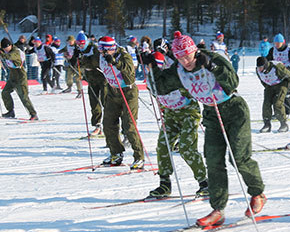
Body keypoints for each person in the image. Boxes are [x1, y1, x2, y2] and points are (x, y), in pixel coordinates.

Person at [149, 32, 266, 228]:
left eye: (188, 55)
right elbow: (160, 87)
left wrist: (213, 67)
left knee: (238, 157)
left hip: (233, 109)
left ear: (194, 51)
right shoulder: (179, 69)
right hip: (212, 113)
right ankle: (218, 210)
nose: (185, 61)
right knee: (213, 160)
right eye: (180, 57)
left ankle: (257, 192)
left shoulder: (211, 58)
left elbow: (232, 83)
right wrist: (152, 65)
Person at [142, 40, 209, 199]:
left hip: (188, 112)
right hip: (171, 115)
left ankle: (205, 183)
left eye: (155, 67)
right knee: (162, 147)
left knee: (186, 148)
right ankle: (164, 184)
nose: (150, 70)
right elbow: (159, 98)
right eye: (149, 68)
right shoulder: (151, 81)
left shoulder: (173, 76)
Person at [97, 36, 144, 170]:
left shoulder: (124, 56)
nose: (101, 52)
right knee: (108, 123)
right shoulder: (101, 55)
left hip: (128, 92)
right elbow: (90, 63)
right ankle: (116, 153)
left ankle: (139, 156)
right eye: (100, 49)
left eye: (103, 50)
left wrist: (115, 63)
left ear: (111, 49)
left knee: (129, 126)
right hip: (113, 92)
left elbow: (130, 76)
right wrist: (78, 58)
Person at [0, 38, 38, 120]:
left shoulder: (15, 51)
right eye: (3, 49)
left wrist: (2, 53)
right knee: (5, 92)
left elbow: (9, 57)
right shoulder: (6, 50)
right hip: (12, 76)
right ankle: (10, 111)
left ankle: (33, 114)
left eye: (6, 48)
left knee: (23, 96)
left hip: (21, 77)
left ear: (10, 46)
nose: (5, 50)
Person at [256, 56, 290, 133]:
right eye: (258, 67)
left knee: (277, 103)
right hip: (270, 86)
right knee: (266, 103)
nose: (259, 69)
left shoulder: (276, 67)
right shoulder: (258, 70)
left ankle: (283, 124)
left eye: (261, 67)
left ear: (265, 65)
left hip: (281, 84)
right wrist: (267, 87)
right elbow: (262, 80)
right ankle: (267, 124)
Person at [78, 31, 106, 137]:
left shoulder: (95, 49)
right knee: (94, 103)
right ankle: (97, 125)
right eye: (78, 44)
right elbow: (79, 65)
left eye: (81, 43)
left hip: (103, 79)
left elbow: (95, 63)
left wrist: (84, 60)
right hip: (91, 80)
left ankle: (112, 125)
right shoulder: (81, 51)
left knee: (106, 102)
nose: (79, 46)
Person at [266, 33, 290, 116]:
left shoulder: (289, 50)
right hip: (276, 75)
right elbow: (268, 61)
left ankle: (286, 112)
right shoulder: (272, 50)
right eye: (275, 43)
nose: (277, 45)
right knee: (275, 94)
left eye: (278, 43)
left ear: (283, 42)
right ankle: (277, 113)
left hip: (286, 74)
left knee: (286, 93)